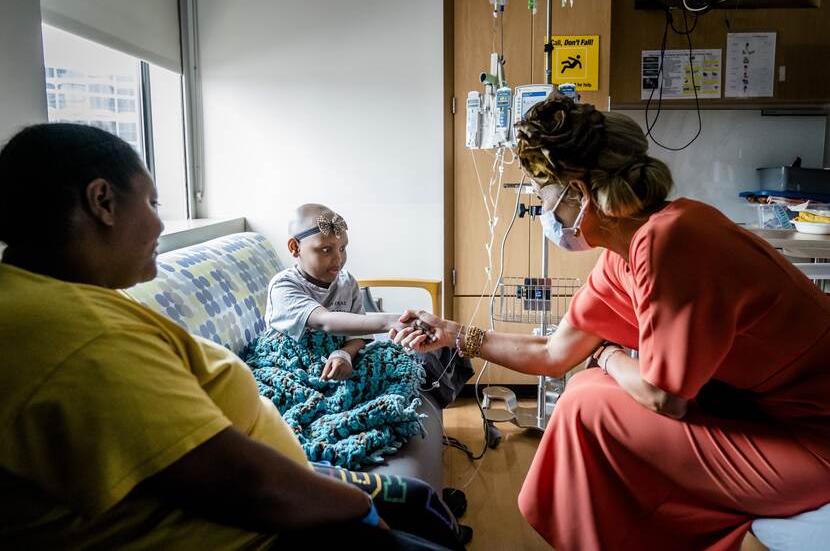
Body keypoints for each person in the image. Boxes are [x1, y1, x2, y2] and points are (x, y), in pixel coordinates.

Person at [392, 95, 830, 550]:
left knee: (589, 407)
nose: (544, 214)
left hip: (810, 437)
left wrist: (607, 354)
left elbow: (665, 398)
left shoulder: (672, 238)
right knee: (586, 390)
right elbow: (553, 354)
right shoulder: (624, 256)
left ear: (578, 194)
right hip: (753, 411)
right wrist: (455, 333)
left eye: (544, 199)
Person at [0, 123, 453, 550]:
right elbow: (241, 483)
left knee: (420, 502)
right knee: (416, 521)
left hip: (271, 477)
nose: (159, 225)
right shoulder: (85, 340)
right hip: (259, 530)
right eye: (153, 204)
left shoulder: (50, 297)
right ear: (102, 201)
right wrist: (359, 508)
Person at [264, 203, 412, 380]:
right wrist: (392, 321)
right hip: (292, 366)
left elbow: (357, 337)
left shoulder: (347, 282)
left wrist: (344, 354)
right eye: (326, 250)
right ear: (295, 248)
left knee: (402, 365)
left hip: (334, 360)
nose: (339, 259)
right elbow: (323, 321)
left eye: (342, 248)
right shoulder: (283, 286)